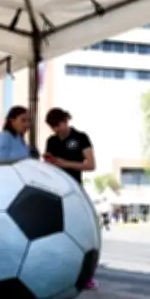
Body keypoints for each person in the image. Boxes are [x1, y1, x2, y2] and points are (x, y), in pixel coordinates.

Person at [43, 107, 99, 289]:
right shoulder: (51, 141)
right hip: (54, 191)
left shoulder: (81, 138)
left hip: (74, 192)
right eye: (56, 127)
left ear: (66, 121)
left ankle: (86, 276)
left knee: (80, 234)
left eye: (62, 124)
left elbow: (90, 165)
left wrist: (65, 163)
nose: (60, 129)